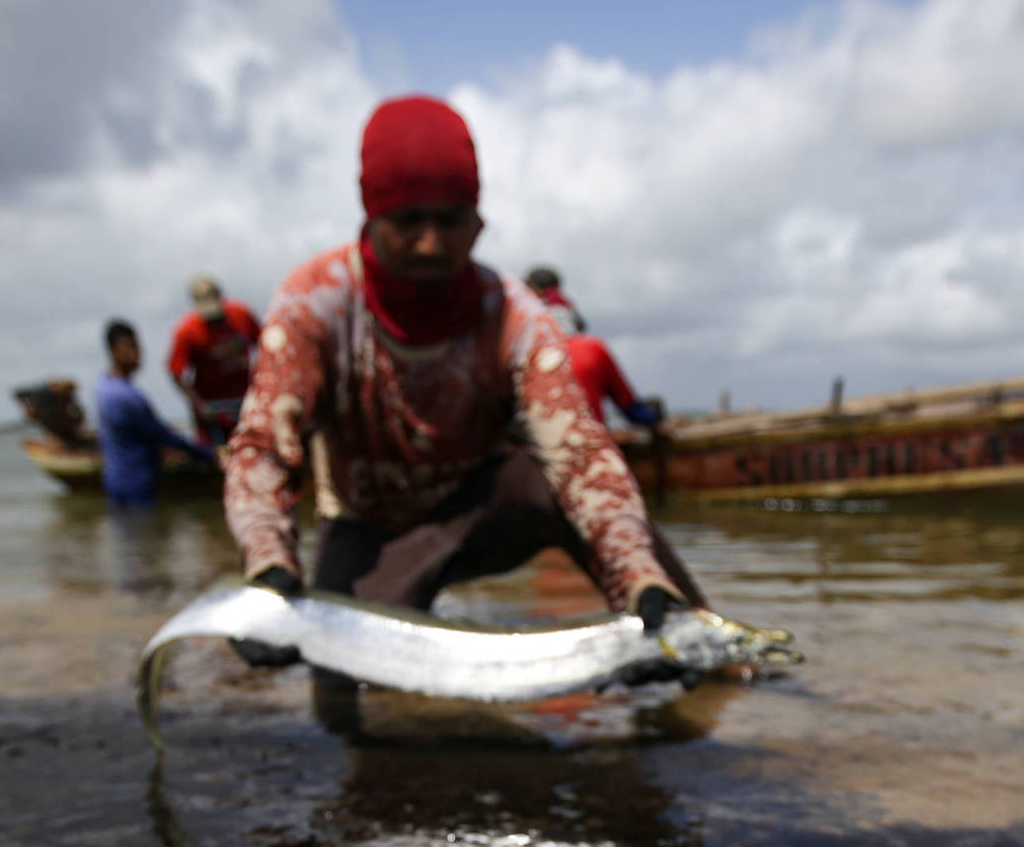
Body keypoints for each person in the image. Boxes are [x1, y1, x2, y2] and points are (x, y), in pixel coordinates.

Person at [223, 95, 705, 646]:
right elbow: (263, 448)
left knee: (579, 510)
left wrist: (638, 576)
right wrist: (267, 568)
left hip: (478, 514)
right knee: (345, 687)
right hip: (368, 527)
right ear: (371, 216)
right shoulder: (316, 304)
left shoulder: (514, 316)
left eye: (450, 222)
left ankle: (703, 647)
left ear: (477, 224)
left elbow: (579, 455)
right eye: (408, 222)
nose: (431, 244)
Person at [525, 265, 665, 431]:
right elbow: (631, 409)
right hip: (589, 448)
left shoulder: (523, 354)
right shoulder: (592, 349)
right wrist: (655, 418)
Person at [94, 319, 211, 507]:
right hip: (136, 482)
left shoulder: (102, 387)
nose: (136, 353)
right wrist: (204, 453)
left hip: (115, 479)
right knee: (142, 531)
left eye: (137, 346)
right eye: (129, 347)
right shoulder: (126, 396)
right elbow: (160, 434)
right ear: (113, 351)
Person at [166, 276, 262, 447]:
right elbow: (175, 372)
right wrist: (198, 404)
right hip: (212, 409)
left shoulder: (241, 315)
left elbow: (264, 344)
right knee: (217, 456)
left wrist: (261, 384)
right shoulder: (187, 331)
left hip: (246, 401)